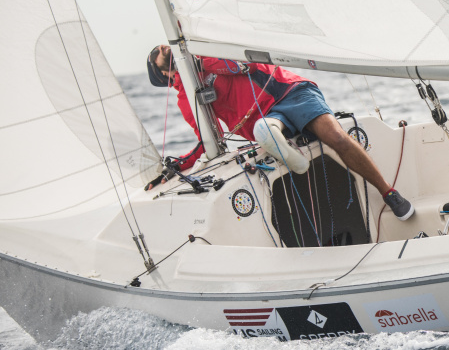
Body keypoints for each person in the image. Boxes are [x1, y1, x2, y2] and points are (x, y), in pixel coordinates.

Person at [144, 44, 414, 220]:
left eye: (165, 48)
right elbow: (207, 139)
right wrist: (178, 166)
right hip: (266, 118)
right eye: (162, 55)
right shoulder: (186, 98)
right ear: (166, 75)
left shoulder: (207, 50)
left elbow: (243, 64)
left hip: (289, 91)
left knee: (335, 137)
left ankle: (389, 193)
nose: (164, 48)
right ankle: (276, 139)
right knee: (266, 128)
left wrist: (201, 65)